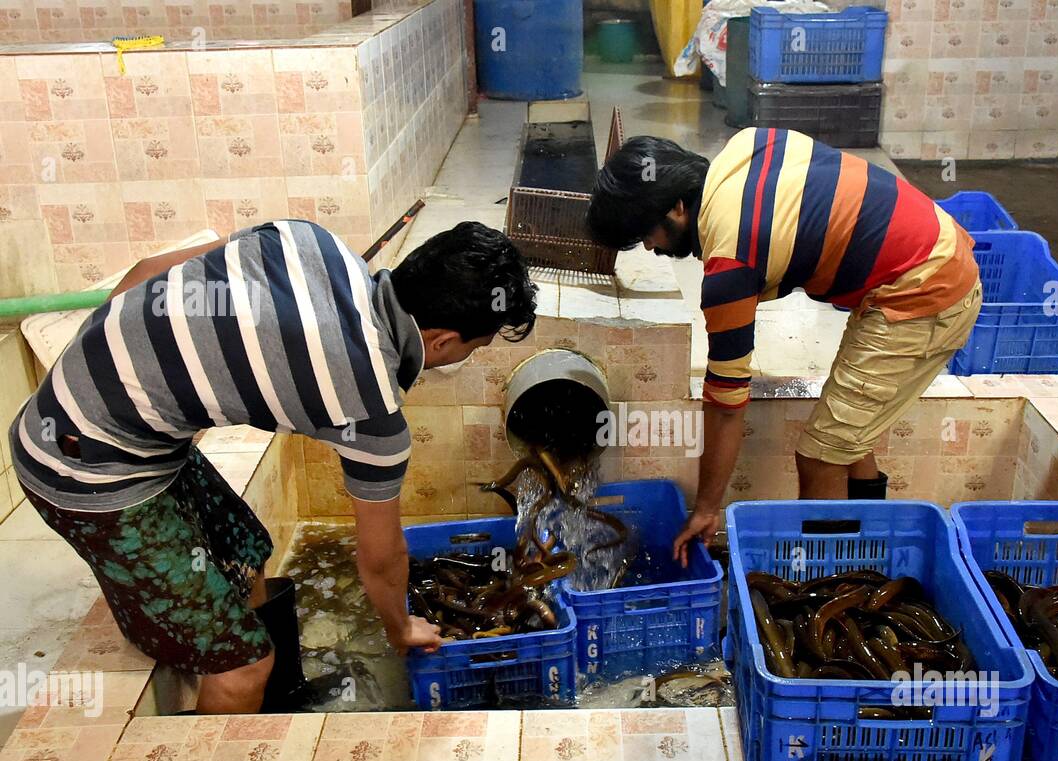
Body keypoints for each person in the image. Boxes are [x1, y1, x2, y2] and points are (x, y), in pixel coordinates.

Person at [8, 219, 537, 713]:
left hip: (106, 424)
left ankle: (280, 699)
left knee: (249, 550)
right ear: (442, 341)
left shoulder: (308, 241)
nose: (462, 357)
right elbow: (380, 559)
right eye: (475, 346)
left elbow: (147, 274)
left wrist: (118, 372)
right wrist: (401, 630)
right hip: (85, 475)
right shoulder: (369, 406)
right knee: (243, 664)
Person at [586, 129, 982, 562]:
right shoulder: (744, 147)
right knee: (848, 432)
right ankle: (868, 555)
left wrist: (705, 509)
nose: (649, 247)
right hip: (927, 252)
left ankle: (827, 585)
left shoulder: (731, 263)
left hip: (923, 288)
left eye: (648, 234)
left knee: (821, 455)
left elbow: (725, 403)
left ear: (678, 208)